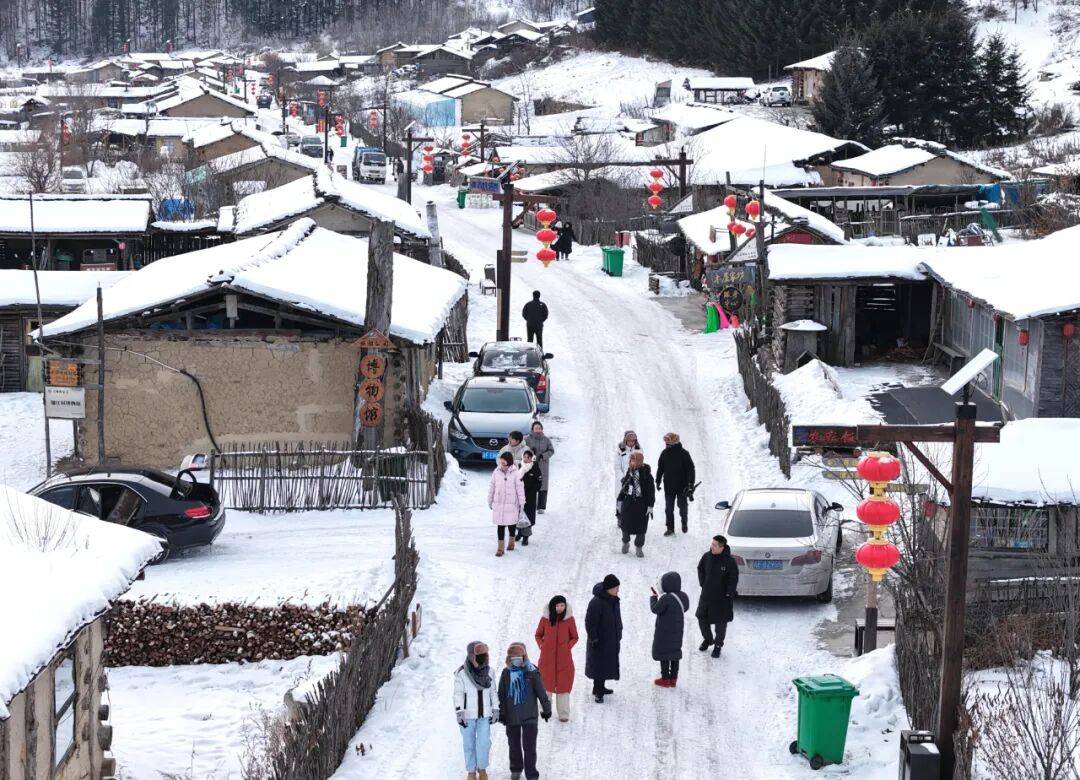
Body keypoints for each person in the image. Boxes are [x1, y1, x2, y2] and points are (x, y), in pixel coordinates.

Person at [497, 642, 551, 780]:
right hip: (512, 716)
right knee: (514, 745)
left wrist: (547, 709)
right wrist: (502, 712)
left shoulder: (532, 671)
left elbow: (541, 692)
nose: (516, 660)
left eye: (519, 657)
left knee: (529, 747)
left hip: (530, 717)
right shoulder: (506, 673)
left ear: (524, 656)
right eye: (513, 657)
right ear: (509, 658)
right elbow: (501, 695)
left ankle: (531, 774)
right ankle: (516, 769)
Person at [454, 641, 498, 780]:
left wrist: (496, 709)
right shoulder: (462, 673)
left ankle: (482, 768)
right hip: (467, 716)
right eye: (479, 654)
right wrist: (459, 712)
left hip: (484, 716)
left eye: (484, 654)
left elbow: (493, 692)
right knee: (469, 744)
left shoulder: (490, 672)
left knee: (484, 743)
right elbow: (458, 694)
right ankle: (471, 771)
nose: (482, 657)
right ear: (471, 655)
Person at [534, 595, 577, 722]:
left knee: (563, 686)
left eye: (562, 605)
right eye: (557, 606)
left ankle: (563, 714)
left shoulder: (569, 620)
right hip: (547, 658)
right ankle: (544, 711)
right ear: (553, 606)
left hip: (564, 659)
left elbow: (575, 637)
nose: (560, 608)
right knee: (546, 684)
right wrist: (542, 645)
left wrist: (567, 647)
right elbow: (538, 635)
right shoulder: (545, 619)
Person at [696, 535, 739, 658]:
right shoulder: (707, 556)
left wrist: (729, 592)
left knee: (720, 624)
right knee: (701, 618)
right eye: (712, 544)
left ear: (722, 547)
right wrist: (703, 582)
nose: (712, 547)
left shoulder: (729, 561)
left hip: (722, 599)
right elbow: (700, 568)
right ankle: (708, 639)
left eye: (715, 545)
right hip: (706, 596)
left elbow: (733, 578)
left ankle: (718, 645)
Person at [585, 573, 623, 703]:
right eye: (616, 588)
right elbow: (590, 622)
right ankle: (598, 692)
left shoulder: (613, 599)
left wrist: (619, 632)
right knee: (599, 666)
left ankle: (599, 687)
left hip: (610, 639)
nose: (618, 590)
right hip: (599, 640)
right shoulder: (597, 602)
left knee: (605, 664)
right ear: (609, 588)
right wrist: (594, 638)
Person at [650, 571, 690, 688]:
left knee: (664, 653)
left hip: (664, 632)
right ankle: (673, 679)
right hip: (677, 630)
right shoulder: (684, 596)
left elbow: (655, 609)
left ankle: (665, 679)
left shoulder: (666, 598)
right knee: (674, 653)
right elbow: (685, 608)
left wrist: (653, 598)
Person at [655, 432, 696, 536]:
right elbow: (660, 468)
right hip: (669, 486)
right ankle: (670, 528)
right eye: (665, 441)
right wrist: (658, 480)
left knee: (682, 506)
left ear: (674, 441)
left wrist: (691, 483)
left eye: (668, 441)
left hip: (682, 486)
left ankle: (684, 522)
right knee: (669, 508)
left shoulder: (684, 453)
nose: (666, 443)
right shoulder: (664, 453)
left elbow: (691, 469)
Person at [616, 451, 655, 557]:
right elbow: (624, 488)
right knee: (625, 525)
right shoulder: (629, 473)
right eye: (631, 460)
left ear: (640, 461)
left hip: (641, 505)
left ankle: (639, 547)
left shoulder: (647, 475)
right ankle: (625, 542)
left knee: (641, 528)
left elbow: (651, 492)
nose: (632, 462)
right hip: (628, 503)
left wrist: (650, 505)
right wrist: (620, 500)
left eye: (634, 460)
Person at [489, 452, 525, 557]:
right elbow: (492, 486)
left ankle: (511, 543)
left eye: (504, 460)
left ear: (509, 460)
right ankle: (500, 548)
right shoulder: (496, 471)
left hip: (511, 504)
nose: (502, 462)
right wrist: (490, 499)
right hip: (499, 503)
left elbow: (520, 489)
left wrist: (522, 503)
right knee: (500, 526)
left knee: (511, 525)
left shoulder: (516, 473)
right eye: (501, 460)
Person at [524, 421, 554, 513]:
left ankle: (541, 507)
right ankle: (529, 504)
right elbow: (523, 450)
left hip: (542, 465)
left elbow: (551, 450)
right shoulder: (527, 439)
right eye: (536, 428)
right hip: (530, 465)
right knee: (530, 485)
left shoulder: (546, 440)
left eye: (539, 428)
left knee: (543, 485)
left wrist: (543, 456)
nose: (538, 430)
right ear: (532, 429)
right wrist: (530, 453)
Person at [517, 449, 542, 545]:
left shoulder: (535, 467)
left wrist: (532, 491)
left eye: (528, 457)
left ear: (531, 458)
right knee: (519, 515)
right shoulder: (520, 466)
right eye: (524, 457)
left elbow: (539, 482)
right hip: (520, 495)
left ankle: (525, 537)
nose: (525, 459)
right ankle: (519, 533)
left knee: (528, 516)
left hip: (530, 497)